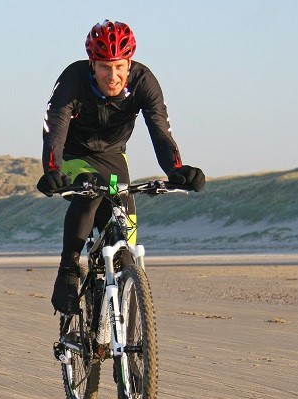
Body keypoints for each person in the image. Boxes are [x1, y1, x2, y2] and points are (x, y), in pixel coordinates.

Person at [36, 20, 206, 316]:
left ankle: (119, 326)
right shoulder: (73, 79)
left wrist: (176, 169)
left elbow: (160, 130)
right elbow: (55, 127)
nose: (112, 75)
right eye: (104, 66)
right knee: (89, 190)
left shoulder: (144, 81)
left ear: (129, 63)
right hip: (75, 156)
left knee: (125, 254)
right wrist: (52, 168)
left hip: (114, 158)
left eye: (119, 66)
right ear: (92, 63)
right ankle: (68, 270)